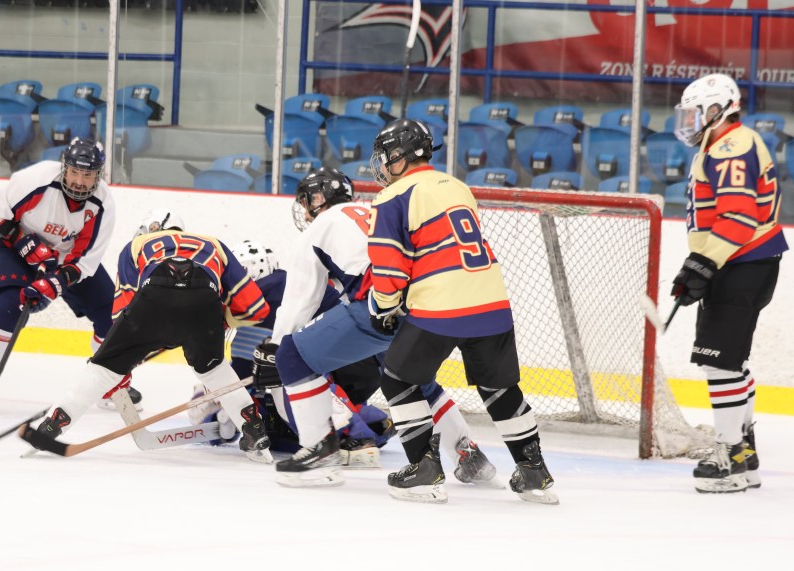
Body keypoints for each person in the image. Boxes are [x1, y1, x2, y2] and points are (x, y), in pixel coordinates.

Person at [252, 166, 497, 489]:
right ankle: (468, 455)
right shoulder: (375, 211)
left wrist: (276, 347)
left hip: (379, 304)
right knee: (414, 380)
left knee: (292, 356)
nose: (305, 209)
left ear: (320, 197)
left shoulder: (320, 227)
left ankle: (319, 455)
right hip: (429, 300)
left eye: (307, 200)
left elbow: (301, 300)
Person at [365, 118, 558, 504]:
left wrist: (383, 307)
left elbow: (389, 267)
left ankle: (423, 469)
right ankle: (534, 472)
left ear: (401, 156)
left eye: (386, 156)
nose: (382, 165)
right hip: (491, 298)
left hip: (441, 301)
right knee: (499, 387)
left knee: (398, 379)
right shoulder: (457, 186)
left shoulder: (392, 196)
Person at [31, 207, 275, 465]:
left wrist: (121, 361)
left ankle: (51, 427)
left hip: (154, 294)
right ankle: (254, 430)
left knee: (102, 370)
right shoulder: (215, 244)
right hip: (205, 302)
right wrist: (219, 321)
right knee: (215, 371)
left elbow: (122, 311)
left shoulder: (137, 245)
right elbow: (256, 309)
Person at [0, 136, 141, 411]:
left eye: (88, 175)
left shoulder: (103, 204)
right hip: (14, 249)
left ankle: (106, 385)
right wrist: (22, 241)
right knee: (10, 305)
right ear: (64, 167)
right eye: (75, 172)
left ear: (98, 176)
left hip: (64, 258)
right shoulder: (35, 180)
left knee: (111, 313)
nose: (80, 181)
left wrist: (55, 283)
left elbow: (85, 262)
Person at [671, 73, 787, 494]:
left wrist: (702, 263)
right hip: (740, 263)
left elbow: (739, 217)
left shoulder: (732, 146)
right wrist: (702, 263)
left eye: (694, 113)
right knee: (729, 362)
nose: (688, 121)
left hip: (741, 263)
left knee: (718, 362)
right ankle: (745, 454)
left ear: (718, 109)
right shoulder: (722, 144)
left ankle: (730, 458)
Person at [204, 238, 394, 465]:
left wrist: (224, 400)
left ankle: (352, 437)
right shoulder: (283, 283)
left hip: (350, 359)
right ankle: (371, 422)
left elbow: (245, 369)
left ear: (251, 271)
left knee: (286, 375)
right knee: (278, 421)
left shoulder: (267, 293)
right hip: (364, 361)